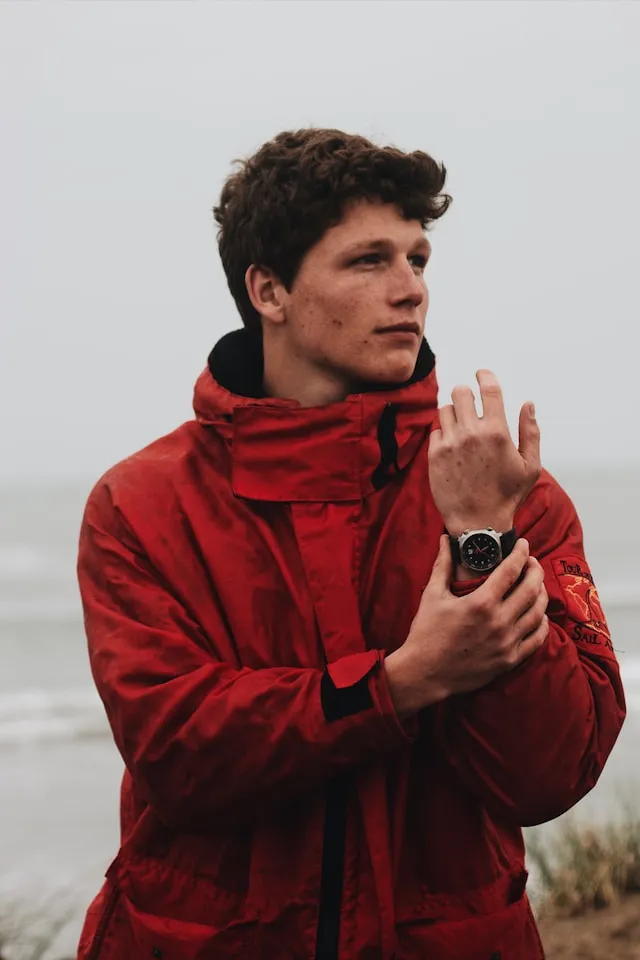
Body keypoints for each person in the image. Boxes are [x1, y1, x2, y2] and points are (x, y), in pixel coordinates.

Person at [76, 128, 626, 960]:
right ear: (269, 291)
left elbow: (550, 773)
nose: (410, 290)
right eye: (369, 261)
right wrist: (399, 685)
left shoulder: (505, 493)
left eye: (419, 259)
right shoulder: (142, 504)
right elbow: (179, 758)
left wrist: (481, 540)